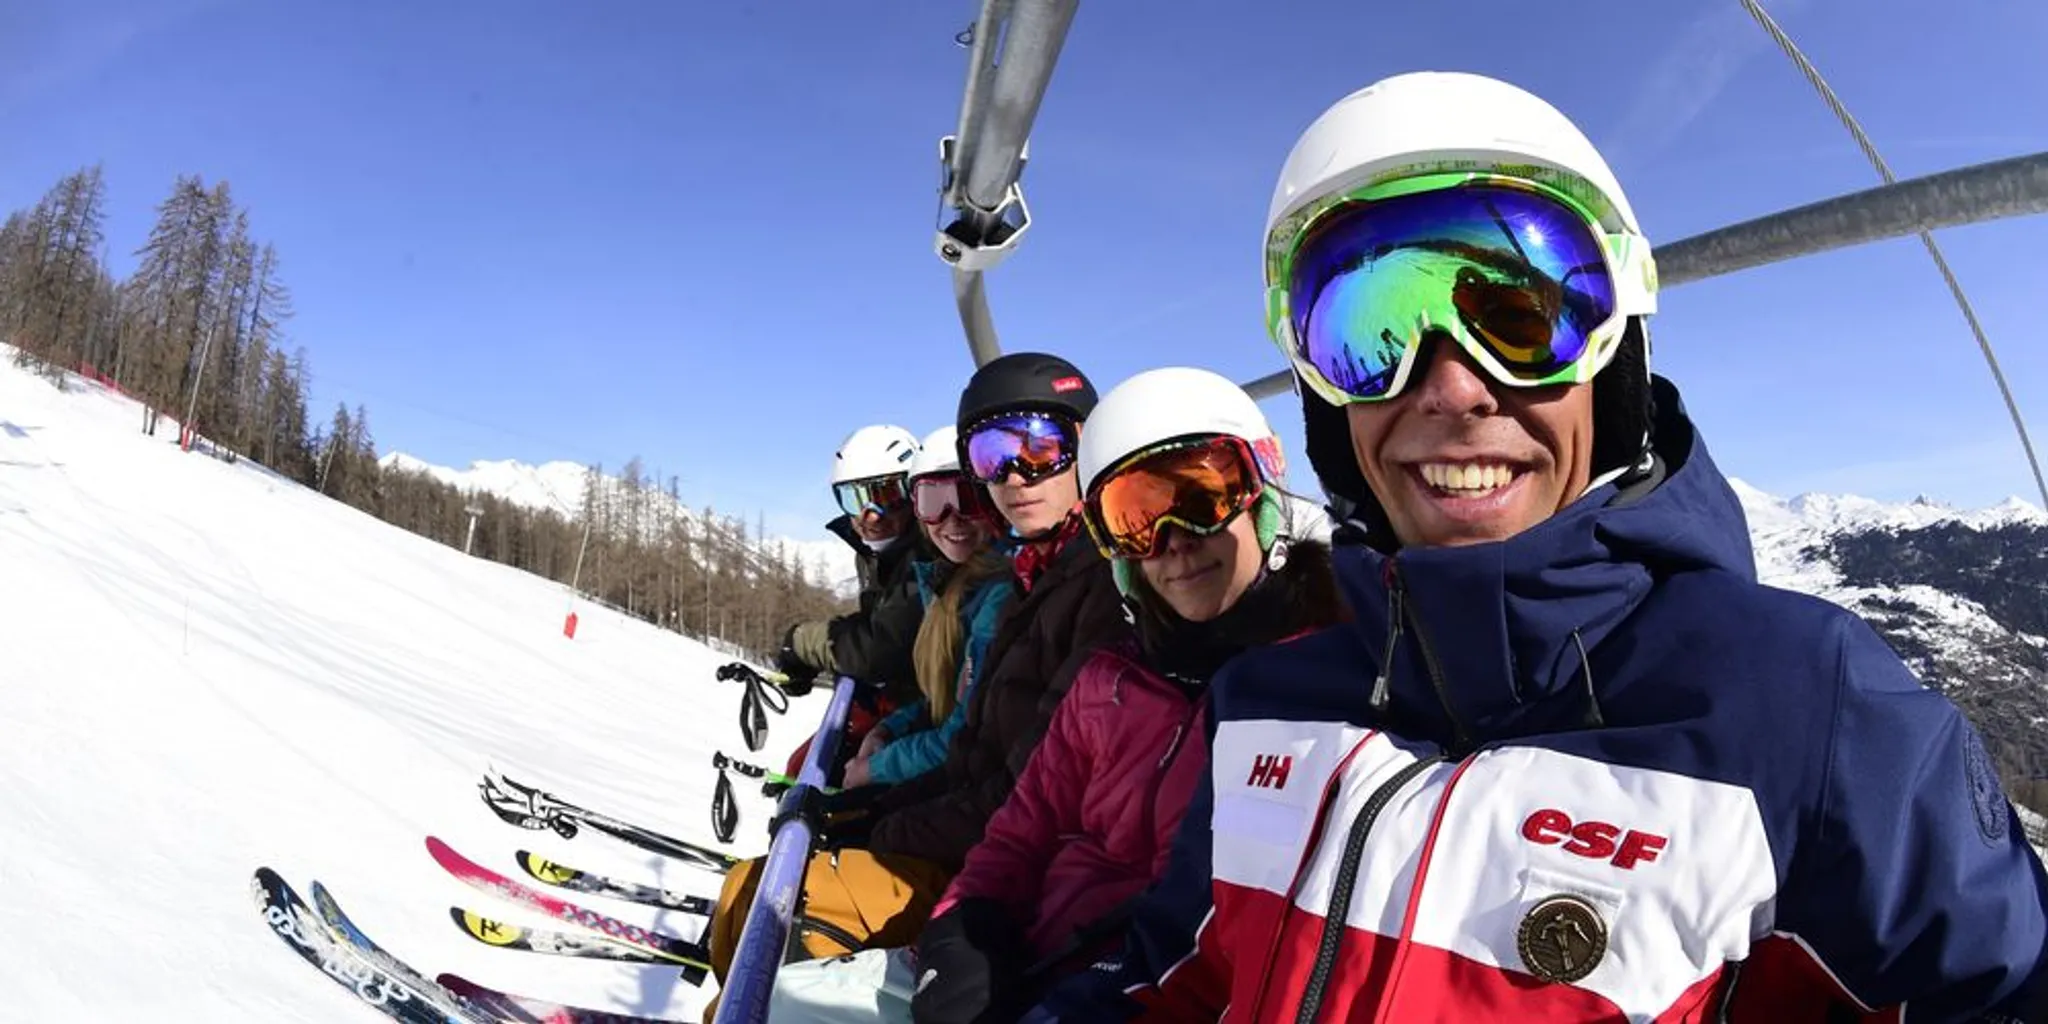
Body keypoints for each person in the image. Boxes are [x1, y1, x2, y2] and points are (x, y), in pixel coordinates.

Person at [1036, 70, 2048, 1022]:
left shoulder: (1806, 711)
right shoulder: (1264, 701)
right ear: (1325, 407)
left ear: (1615, 364)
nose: (1450, 388)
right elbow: (1170, 979)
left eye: (1521, 322)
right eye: (1368, 336)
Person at [903, 367, 1345, 1024]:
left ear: (1261, 494)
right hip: (1033, 963)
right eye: (1134, 519)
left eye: (1203, 499)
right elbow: (1018, 833)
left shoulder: (1321, 693)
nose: (1174, 542)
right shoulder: (1108, 680)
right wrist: (964, 930)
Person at [701, 354, 1130, 1018]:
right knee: (751, 896)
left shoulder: (1097, 585)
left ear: (1087, 445)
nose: (1015, 475)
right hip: (978, 853)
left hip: (1012, 889)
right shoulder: (1031, 582)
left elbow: (1027, 794)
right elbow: (972, 746)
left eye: (1040, 447)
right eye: (991, 457)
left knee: (783, 920)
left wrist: (885, 824)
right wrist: (871, 808)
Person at [845, 425, 1015, 791]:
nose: (952, 519)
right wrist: (889, 729)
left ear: (994, 502)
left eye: (968, 498)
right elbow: (942, 699)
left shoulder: (1001, 592)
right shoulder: (945, 582)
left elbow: (965, 732)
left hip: (978, 782)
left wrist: (875, 770)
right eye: (933, 502)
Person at [772, 423, 933, 776]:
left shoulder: (930, 551)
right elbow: (879, 623)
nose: (870, 515)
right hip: (903, 702)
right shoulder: (879, 554)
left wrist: (803, 643)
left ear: (914, 492)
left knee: (824, 773)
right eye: (854, 498)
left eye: (886, 495)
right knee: (802, 767)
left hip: (926, 709)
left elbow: (882, 648)